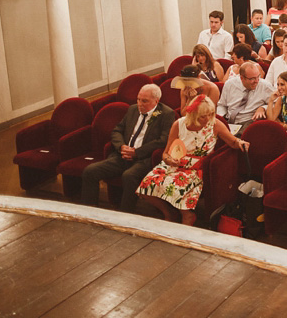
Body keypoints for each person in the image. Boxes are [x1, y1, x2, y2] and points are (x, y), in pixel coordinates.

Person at [137, 95, 249, 225]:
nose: (207, 118)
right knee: (146, 185)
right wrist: (169, 161)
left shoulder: (215, 125)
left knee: (177, 188)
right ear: (193, 114)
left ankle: (187, 215)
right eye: (203, 116)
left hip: (197, 168)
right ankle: (168, 212)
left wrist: (241, 142)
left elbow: (233, 142)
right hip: (175, 164)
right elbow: (165, 153)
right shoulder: (178, 124)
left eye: (210, 114)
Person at [81, 84, 175, 213]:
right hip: (122, 155)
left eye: (144, 101)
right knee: (90, 171)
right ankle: (89, 212)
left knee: (129, 176)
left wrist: (136, 153)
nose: (140, 104)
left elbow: (163, 140)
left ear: (156, 101)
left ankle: (126, 214)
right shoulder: (133, 110)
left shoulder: (165, 114)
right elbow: (117, 131)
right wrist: (122, 147)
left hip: (144, 158)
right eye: (138, 99)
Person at [215, 61, 274, 134]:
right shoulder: (229, 84)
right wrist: (221, 118)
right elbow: (222, 105)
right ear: (242, 78)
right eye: (252, 78)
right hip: (229, 121)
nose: (256, 81)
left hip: (249, 121)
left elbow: (276, 103)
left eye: (258, 76)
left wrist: (263, 108)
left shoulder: (265, 86)